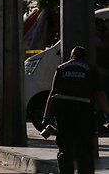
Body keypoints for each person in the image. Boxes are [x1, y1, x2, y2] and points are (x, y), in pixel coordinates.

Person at [43, 46, 109, 174]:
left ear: (71, 56)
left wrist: (47, 116)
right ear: (85, 57)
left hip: (63, 114)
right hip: (84, 113)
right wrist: (107, 114)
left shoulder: (61, 68)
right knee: (84, 149)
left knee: (65, 148)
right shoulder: (90, 69)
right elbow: (100, 94)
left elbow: (52, 94)